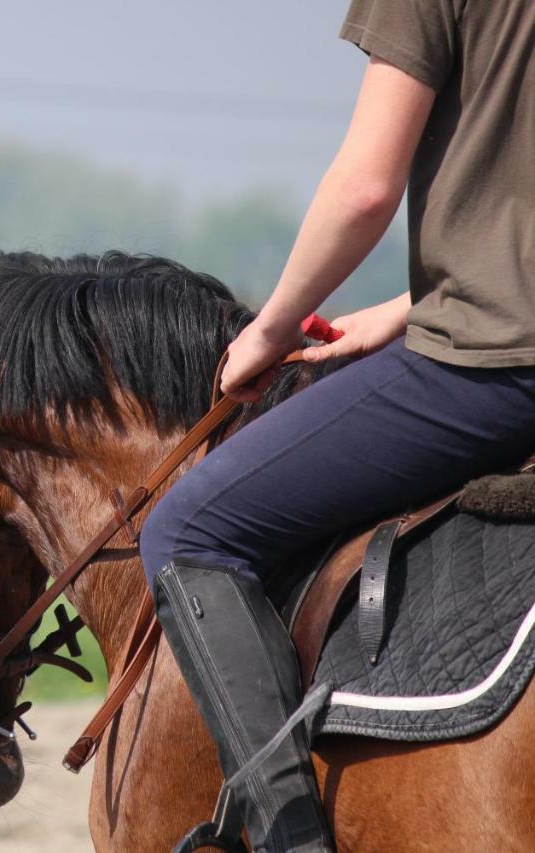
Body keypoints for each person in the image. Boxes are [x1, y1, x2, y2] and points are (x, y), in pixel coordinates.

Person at [138, 2, 535, 851]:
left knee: (186, 530)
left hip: (501, 369)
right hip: (479, 320)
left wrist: (274, 327)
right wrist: (409, 306)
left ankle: (290, 840)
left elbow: (364, 188)